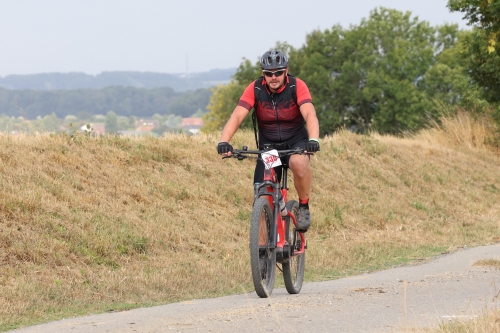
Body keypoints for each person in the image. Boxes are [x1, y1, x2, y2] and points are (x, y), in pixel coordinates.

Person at [217, 50, 320, 232]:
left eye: (278, 72)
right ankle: (263, 255)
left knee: (298, 162)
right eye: (269, 73)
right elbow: (237, 116)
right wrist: (224, 141)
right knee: (262, 196)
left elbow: (309, 113)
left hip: (295, 142)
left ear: (286, 71)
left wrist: (313, 139)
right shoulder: (255, 89)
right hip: (269, 148)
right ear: (263, 73)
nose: (274, 77)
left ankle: (303, 207)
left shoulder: (297, 86)